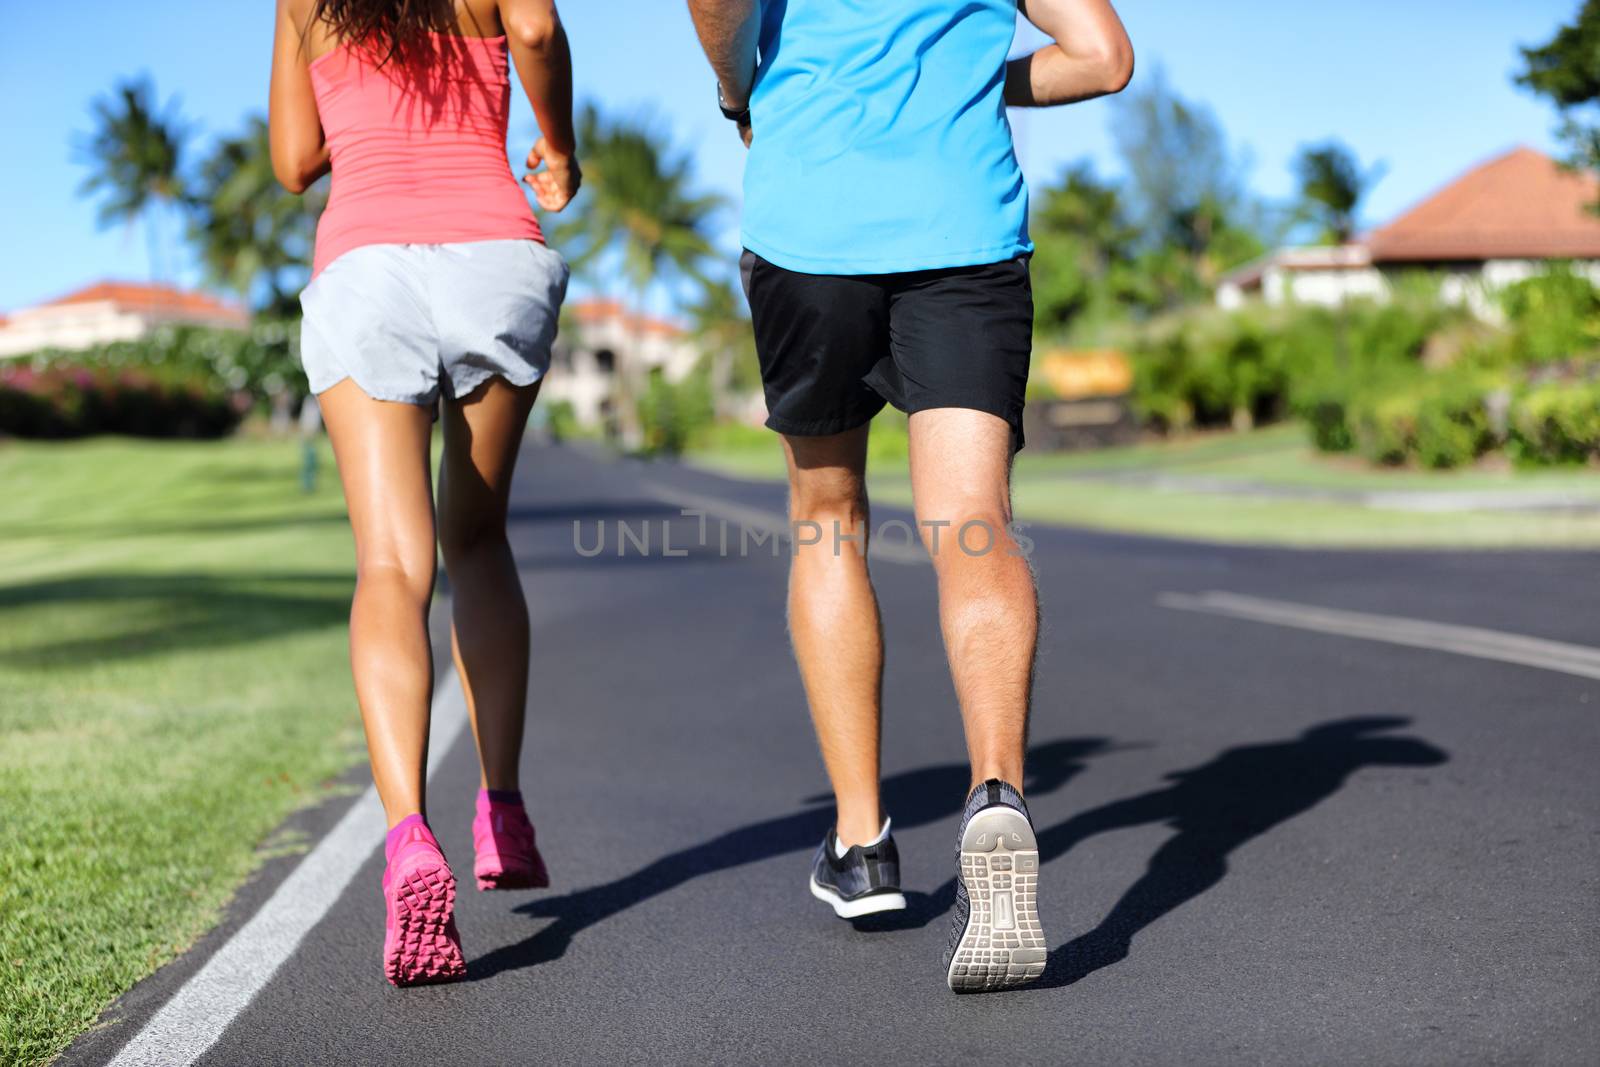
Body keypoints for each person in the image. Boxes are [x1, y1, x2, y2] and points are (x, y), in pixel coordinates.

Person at [685, 0, 1133, 992]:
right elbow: (1102, 60)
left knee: (829, 523)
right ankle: (997, 791)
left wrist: (735, 89)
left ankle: (863, 844)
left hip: (811, 226)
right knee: (972, 522)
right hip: (964, 226)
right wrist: (979, 85)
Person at [269, 0, 579, 986]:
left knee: (390, 563)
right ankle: (503, 810)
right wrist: (558, 149)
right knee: (476, 540)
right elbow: (532, 31)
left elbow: (290, 160)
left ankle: (408, 834)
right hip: (492, 254)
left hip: (367, 269)